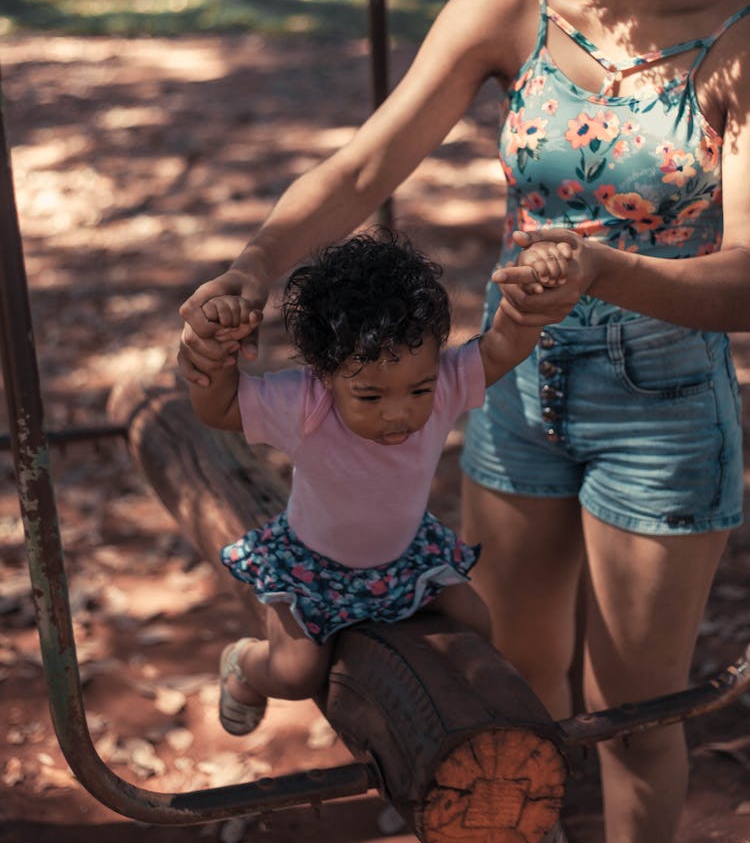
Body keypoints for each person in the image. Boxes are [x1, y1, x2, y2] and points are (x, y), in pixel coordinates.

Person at [178, 0, 750, 843]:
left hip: (665, 405)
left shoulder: (741, 33)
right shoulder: (506, 6)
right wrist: (253, 265)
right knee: (511, 678)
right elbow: (359, 170)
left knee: (634, 705)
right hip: (515, 389)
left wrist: (605, 271)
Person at [188, 229, 570, 737]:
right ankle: (243, 665)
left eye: (419, 388)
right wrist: (213, 358)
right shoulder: (305, 405)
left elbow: (503, 346)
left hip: (406, 557)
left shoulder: (446, 386)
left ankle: (455, 729)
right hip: (313, 569)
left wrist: (527, 305)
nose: (399, 414)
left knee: (476, 624)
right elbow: (221, 408)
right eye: (369, 397)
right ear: (325, 376)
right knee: (296, 673)